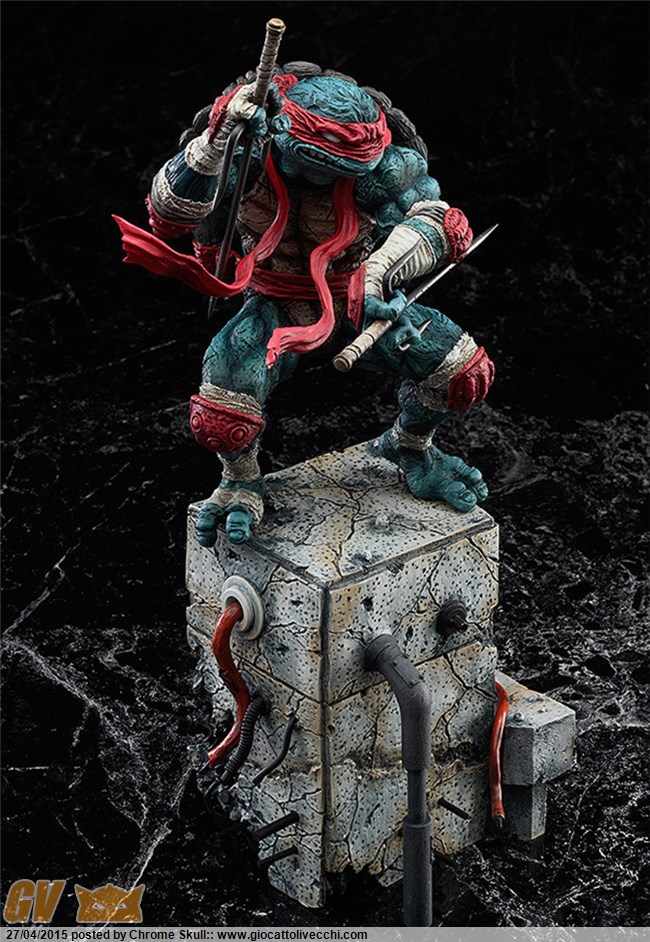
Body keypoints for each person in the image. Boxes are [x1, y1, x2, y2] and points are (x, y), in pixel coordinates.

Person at [114, 63, 494, 545]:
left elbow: (441, 224)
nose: (323, 176)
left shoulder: (380, 166)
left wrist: (380, 273)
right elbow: (168, 217)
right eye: (312, 163)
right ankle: (239, 481)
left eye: (340, 169)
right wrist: (216, 140)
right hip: (273, 303)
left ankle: (411, 447)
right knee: (221, 409)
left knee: (462, 372)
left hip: (356, 300)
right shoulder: (247, 151)